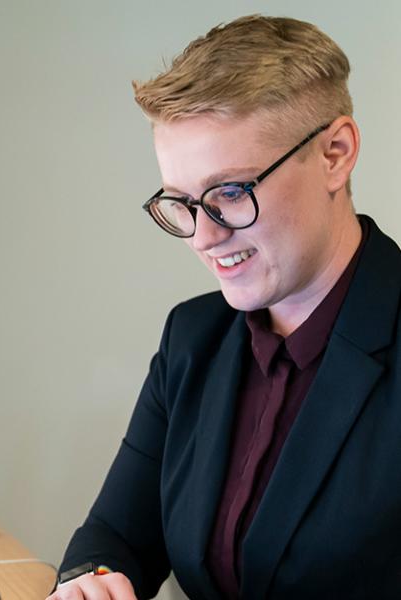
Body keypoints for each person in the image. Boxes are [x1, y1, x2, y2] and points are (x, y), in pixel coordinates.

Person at [47, 14, 401, 600]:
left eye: (231, 193)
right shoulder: (193, 338)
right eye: (182, 203)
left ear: (335, 153)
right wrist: (91, 582)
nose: (202, 239)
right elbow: (115, 534)